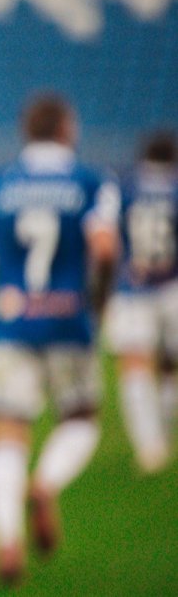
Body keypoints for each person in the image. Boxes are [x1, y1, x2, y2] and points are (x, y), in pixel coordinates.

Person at [0, 93, 118, 587]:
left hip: (11, 323)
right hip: (69, 319)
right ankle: (45, 484)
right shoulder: (92, 182)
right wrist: (98, 301)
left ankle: (7, 539)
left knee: (7, 430)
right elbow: (105, 249)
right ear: (67, 129)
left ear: (26, 131)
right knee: (81, 417)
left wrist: (5, 276)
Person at [104, 130, 178, 474]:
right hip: (173, 285)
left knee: (135, 364)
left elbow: (108, 242)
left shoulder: (124, 187)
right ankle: (166, 421)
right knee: (170, 363)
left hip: (133, 288)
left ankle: (150, 446)